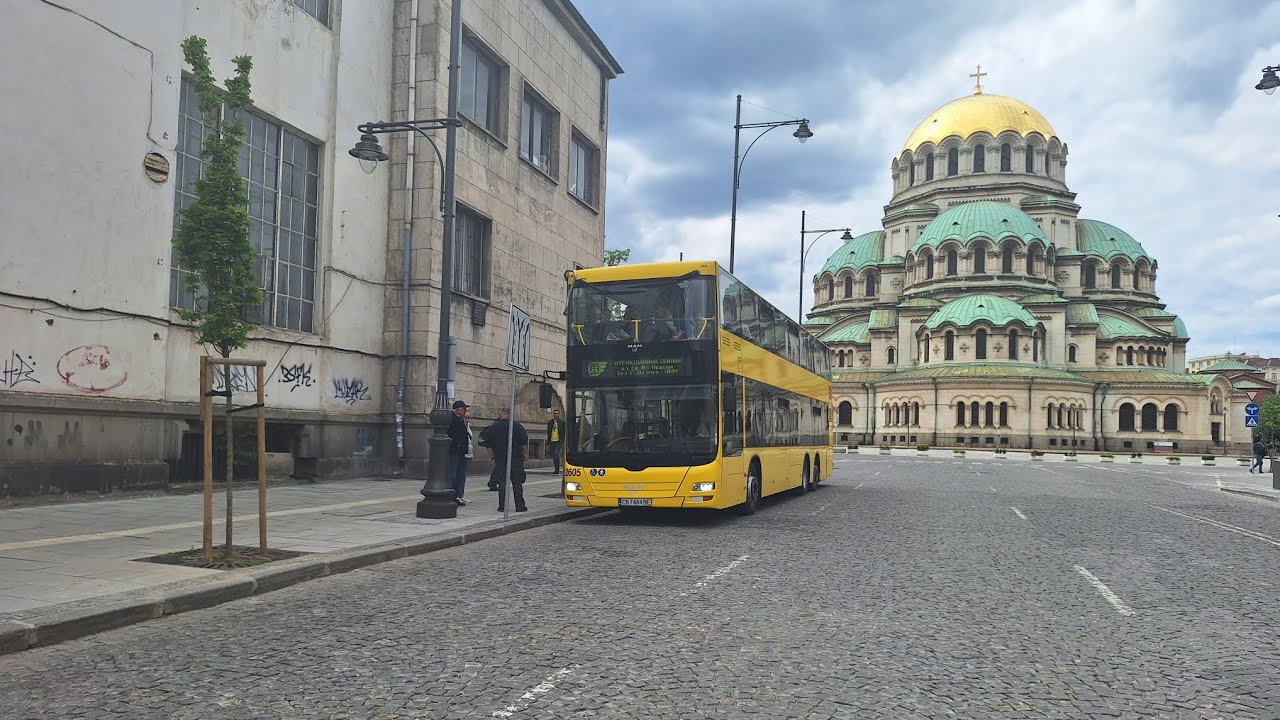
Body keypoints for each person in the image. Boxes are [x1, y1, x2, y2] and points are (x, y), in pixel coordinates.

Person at [481, 409, 529, 512]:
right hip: (515, 457)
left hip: (501, 458)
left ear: (503, 414)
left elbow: (487, 444)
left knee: (502, 482)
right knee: (517, 482)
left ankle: (502, 506)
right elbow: (524, 442)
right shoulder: (517, 426)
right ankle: (520, 506)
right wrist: (525, 454)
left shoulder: (493, 427)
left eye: (501, 413)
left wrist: (493, 457)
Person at [447, 400, 471, 505]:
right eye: (464, 409)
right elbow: (456, 434)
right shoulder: (452, 419)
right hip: (455, 450)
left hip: (460, 451)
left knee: (459, 474)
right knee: (453, 474)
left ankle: (456, 495)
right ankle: (452, 496)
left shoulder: (460, 420)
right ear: (458, 409)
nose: (466, 411)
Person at [546, 409, 565, 475]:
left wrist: (562, 440)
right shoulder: (550, 422)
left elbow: (563, 432)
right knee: (554, 455)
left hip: (558, 441)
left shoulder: (562, 422)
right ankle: (555, 469)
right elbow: (548, 431)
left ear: (559, 414)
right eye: (555, 413)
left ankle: (557, 470)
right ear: (553, 414)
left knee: (556, 454)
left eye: (557, 413)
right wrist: (549, 440)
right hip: (552, 440)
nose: (556, 415)